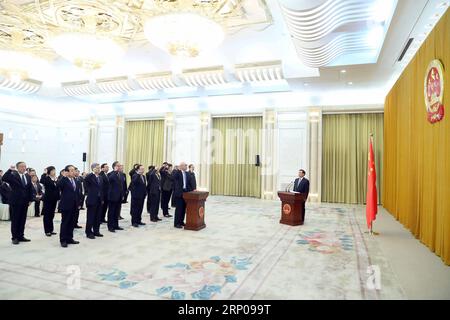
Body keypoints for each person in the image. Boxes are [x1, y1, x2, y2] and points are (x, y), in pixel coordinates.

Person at [2, 162, 34, 244]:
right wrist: (10, 170)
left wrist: (30, 199)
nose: (23, 168)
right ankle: (15, 237)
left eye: (25, 166)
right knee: (15, 220)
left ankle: (21, 236)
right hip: (16, 201)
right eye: (21, 166)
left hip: (25, 202)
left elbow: (30, 188)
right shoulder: (13, 175)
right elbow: (4, 178)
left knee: (22, 220)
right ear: (17, 168)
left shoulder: (27, 176)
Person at [57, 165, 80, 247]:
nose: (74, 172)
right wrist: (63, 176)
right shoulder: (63, 180)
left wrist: (78, 204)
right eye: (72, 170)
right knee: (65, 222)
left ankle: (70, 238)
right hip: (66, 205)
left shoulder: (75, 180)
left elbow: (77, 193)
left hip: (74, 205)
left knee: (72, 222)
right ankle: (63, 240)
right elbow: (58, 185)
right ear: (67, 172)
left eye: (74, 170)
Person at [84, 163, 104, 239]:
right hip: (92, 200)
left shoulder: (100, 177)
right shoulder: (89, 177)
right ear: (93, 168)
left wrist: (102, 199)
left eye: (99, 168)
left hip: (99, 200)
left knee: (98, 217)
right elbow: (86, 187)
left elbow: (101, 189)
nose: (98, 169)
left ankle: (96, 231)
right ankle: (89, 232)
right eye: (97, 168)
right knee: (90, 217)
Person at [172, 162, 193, 228]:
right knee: (179, 209)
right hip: (179, 193)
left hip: (185, 193)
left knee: (183, 209)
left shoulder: (187, 173)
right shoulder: (177, 173)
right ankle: (176, 223)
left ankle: (181, 221)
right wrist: (178, 169)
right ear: (181, 166)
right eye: (185, 165)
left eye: (186, 165)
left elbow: (189, 183)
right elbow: (173, 177)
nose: (186, 166)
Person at [41, 166, 59, 237]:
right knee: (47, 215)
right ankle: (47, 230)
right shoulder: (46, 178)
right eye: (52, 171)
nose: (54, 172)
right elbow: (41, 180)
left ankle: (51, 229)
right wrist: (44, 173)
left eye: (54, 170)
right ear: (49, 172)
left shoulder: (55, 179)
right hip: (48, 199)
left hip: (54, 199)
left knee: (52, 215)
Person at [107, 161, 124, 232]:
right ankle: (110, 226)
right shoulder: (111, 174)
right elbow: (109, 181)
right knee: (111, 212)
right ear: (115, 167)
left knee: (117, 212)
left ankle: (116, 225)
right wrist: (114, 171)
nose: (121, 167)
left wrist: (122, 195)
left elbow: (121, 185)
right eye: (119, 166)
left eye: (120, 166)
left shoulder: (121, 174)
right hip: (112, 197)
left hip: (119, 196)